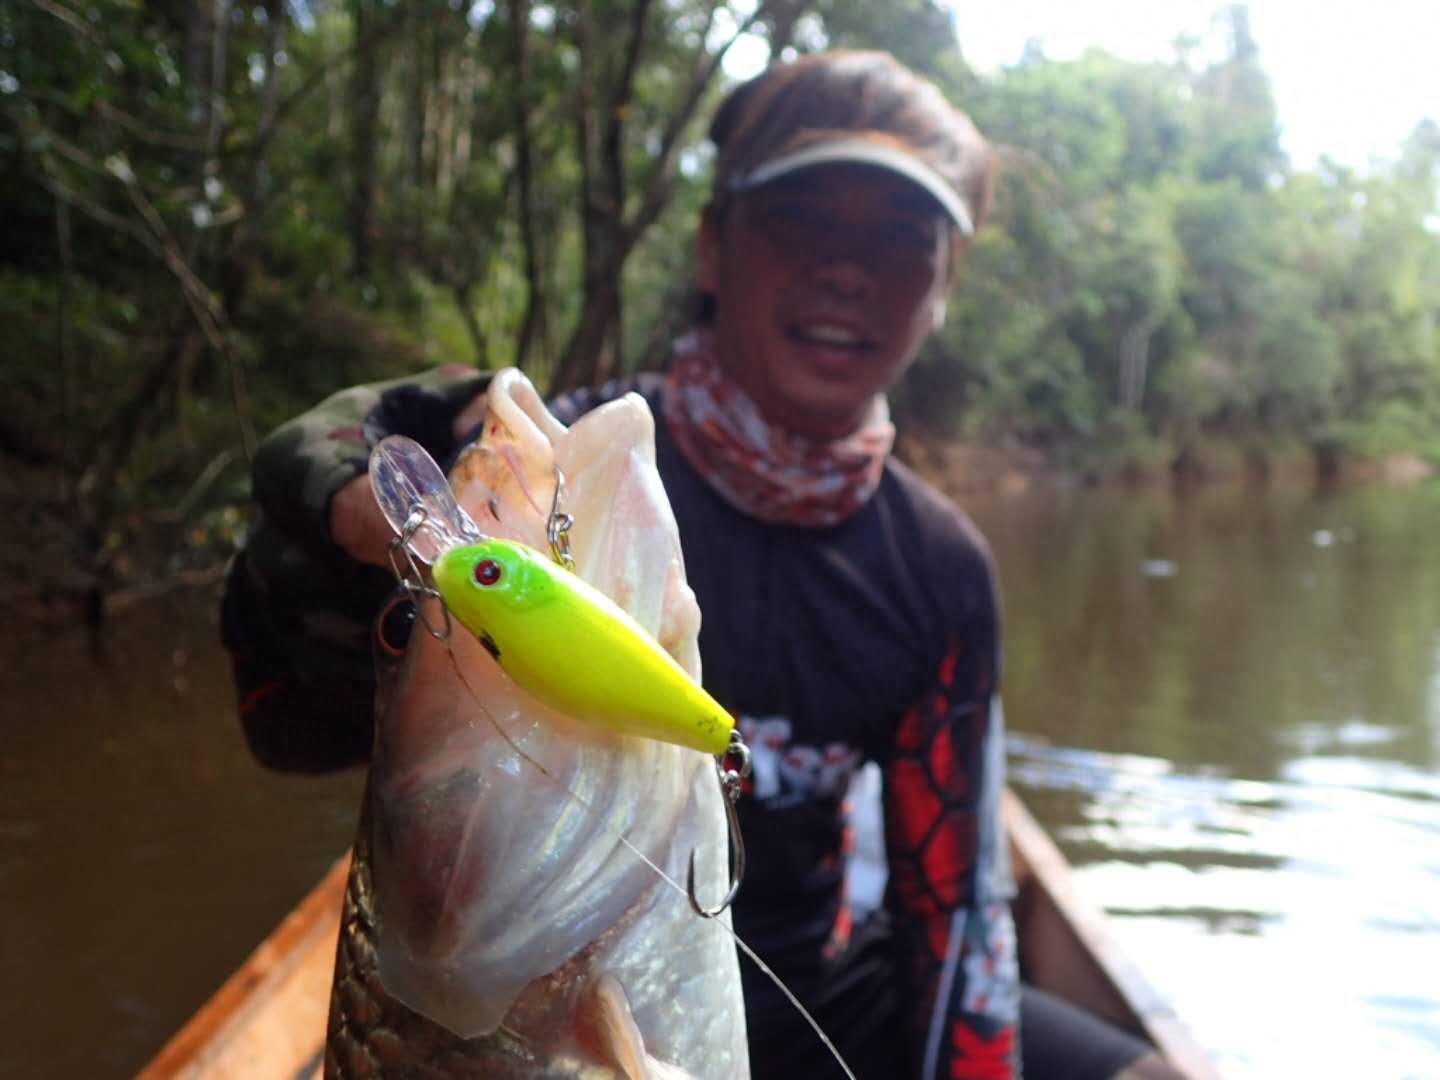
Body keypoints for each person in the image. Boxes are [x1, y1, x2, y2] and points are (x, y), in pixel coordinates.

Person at [222, 50, 1181, 1080]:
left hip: (818, 1000)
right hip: (523, 989)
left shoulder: (942, 567)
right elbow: (285, 723)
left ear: (944, 291)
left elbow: (957, 915)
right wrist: (346, 513)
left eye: (901, 240)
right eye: (804, 218)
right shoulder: (557, 485)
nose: (847, 270)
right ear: (714, 248)